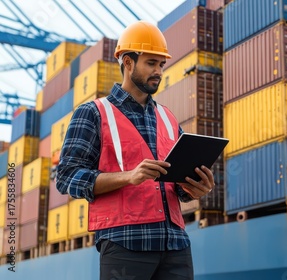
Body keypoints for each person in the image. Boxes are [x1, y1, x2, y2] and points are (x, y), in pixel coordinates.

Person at [56, 20, 214, 280]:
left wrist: (194, 188)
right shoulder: (93, 113)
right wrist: (129, 176)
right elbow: (66, 178)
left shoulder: (168, 118)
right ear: (127, 62)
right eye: (151, 63)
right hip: (125, 242)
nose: (159, 71)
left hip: (175, 244)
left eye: (161, 64)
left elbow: (176, 188)